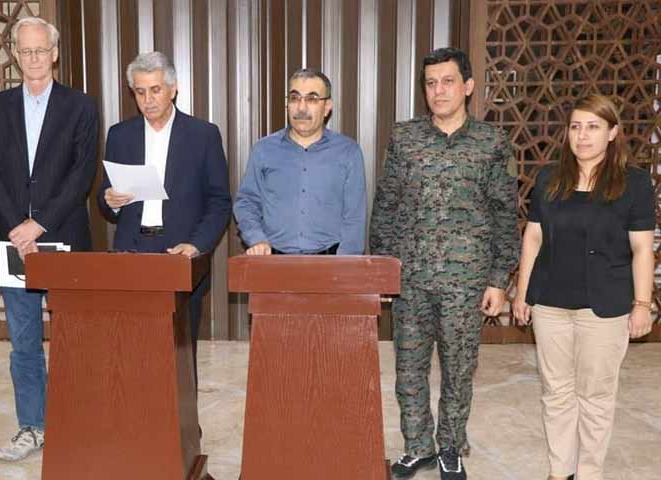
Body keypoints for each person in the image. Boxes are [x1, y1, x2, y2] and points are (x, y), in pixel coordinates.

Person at [369, 48, 519, 480]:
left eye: (448, 81)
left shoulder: (491, 143)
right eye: (431, 83)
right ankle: (418, 446)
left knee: (458, 369)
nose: (439, 91)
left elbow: (505, 214)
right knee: (408, 369)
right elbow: (386, 206)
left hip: (466, 283)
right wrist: (384, 271)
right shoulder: (405, 138)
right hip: (411, 280)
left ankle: (450, 446)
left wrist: (498, 280)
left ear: (468, 87)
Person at [513, 94, 655, 480]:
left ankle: (589, 473)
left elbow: (642, 248)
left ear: (612, 132)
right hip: (550, 303)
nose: (583, 135)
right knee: (556, 392)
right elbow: (533, 238)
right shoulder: (549, 178)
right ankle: (560, 471)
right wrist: (522, 293)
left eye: (593, 127)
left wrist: (642, 303)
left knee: (594, 397)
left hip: (605, 307)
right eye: (576, 126)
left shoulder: (634, 183)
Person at [0, 16, 99, 461]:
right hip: (14, 243)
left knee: (72, 339)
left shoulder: (81, 106)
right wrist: (17, 227)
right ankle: (32, 426)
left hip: (63, 236)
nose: (33, 58)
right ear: (15, 54)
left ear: (55, 54)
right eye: (25, 50)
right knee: (24, 342)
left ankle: (74, 424)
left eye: (40, 50)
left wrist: (39, 223)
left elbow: (82, 173)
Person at [98, 51, 230, 381]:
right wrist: (110, 200)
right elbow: (105, 201)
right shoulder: (120, 135)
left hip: (181, 255)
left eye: (155, 90)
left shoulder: (203, 135)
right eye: (140, 91)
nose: (148, 100)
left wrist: (196, 245)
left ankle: (182, 414)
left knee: (179, 353)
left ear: (173, 88)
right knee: (133, 350)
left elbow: (219, 203)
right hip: (132, 253)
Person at [234, 68, 366, 255]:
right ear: (287, 104)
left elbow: (354, 219)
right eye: (295, 98)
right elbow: (247, 202)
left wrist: (344, 267)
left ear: (327, 106)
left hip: (330, 263)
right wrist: (256, 239)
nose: (301, 108)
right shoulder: (264, 150)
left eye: (312, 99)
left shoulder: (348, 152)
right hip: (274, 262)